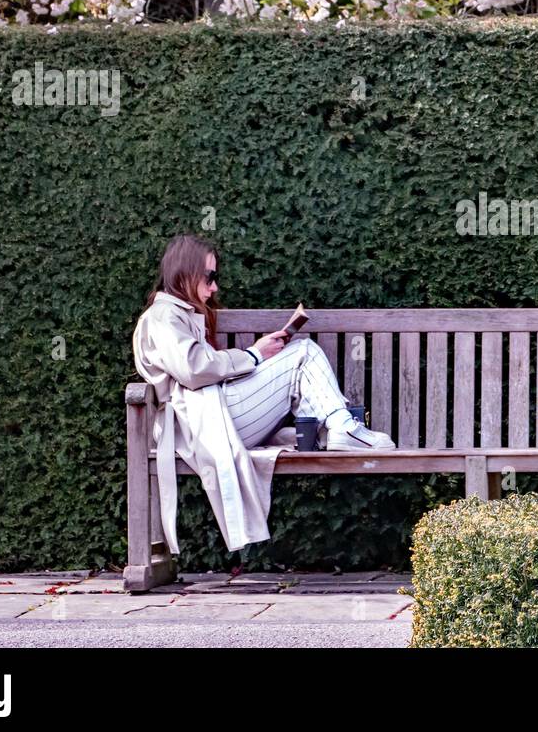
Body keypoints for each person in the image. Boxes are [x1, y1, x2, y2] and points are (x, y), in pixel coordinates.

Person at [130, 233, 393, 555]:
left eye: (216, 277)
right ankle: (344, 428)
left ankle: (337, 429)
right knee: (303, 352)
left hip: (210, 419)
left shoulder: (178, 313)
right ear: (185, 272)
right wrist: (254, 354)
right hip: (206, 425)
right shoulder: (162, 316)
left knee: (299, 358)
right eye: (210, 277)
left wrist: (256, 357)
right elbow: (194, 369)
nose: (214, 288)